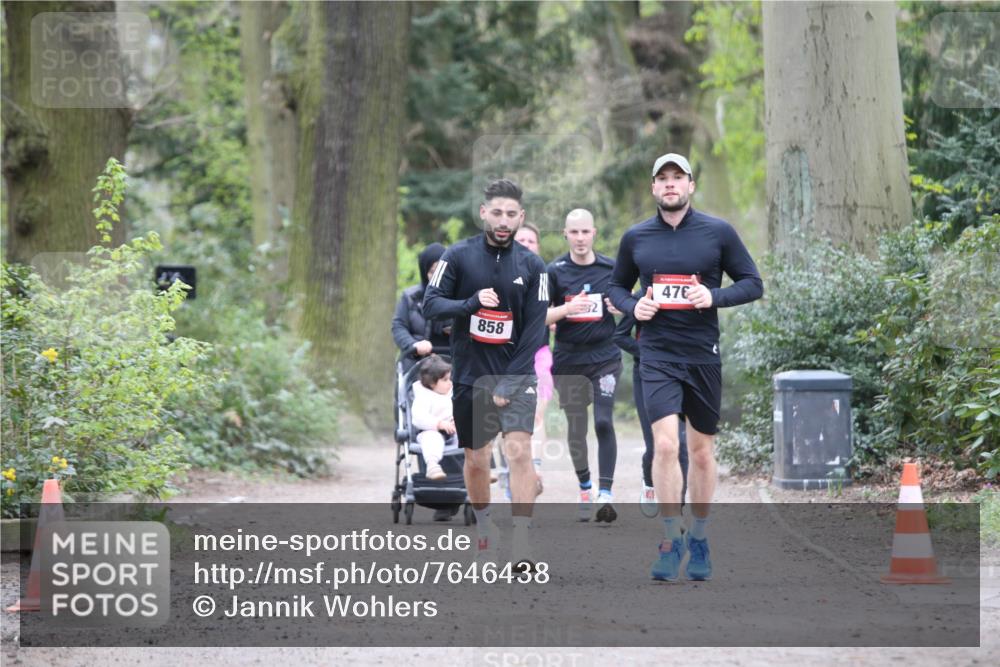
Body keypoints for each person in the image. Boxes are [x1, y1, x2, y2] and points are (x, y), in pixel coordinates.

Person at [608, 153, 763, 582]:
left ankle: (699, 535)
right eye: (663, 179)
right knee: (664, 446)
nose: (671, 184)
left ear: (691, 186)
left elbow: (753, 283)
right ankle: (669, 537)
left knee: (700, 452)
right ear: (653, 188)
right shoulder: (636, 237)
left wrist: (714, 298)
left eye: (678, 177)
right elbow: (616, 286)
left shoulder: (718, 232)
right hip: (656, 354)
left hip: (702, 356)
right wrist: (632, 305)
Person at [423, 179, 548, 568]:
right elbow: (431, 305)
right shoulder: (458, 256)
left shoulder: (533, 266)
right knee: (477, 460)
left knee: (520, 452)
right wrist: (470, 304)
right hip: (471, 376)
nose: (503, 221)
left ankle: (522, 544)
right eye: (497, 213)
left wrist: (510, 382)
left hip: (518, 374)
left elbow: (535, 330)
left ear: (521, 217)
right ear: (483, 213)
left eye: (511, 215)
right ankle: (484, 531)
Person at [545, 209, 622, 523]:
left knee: (603, 421)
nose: (579, 239)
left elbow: (631, 305)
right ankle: (585, 486)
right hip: (569, 360)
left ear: (594, 233)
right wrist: (566, 309)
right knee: (577, 428)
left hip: (605, 357)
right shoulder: (555, 271)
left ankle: (606, 494)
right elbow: (541, 316)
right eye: (574, 233)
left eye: (585, 232)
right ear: (565, 234)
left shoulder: (612, 268)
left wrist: (620, 308)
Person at [612, 293, 688, 518]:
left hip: (683, 374)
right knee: (656, 446)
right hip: (647, 374)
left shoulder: (686, 295)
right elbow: (620, 335)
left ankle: (678, 509)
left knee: (681, 443)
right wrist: (650, 355)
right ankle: (649, 480)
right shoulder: (641, 297)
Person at [512, 223, 550, 495]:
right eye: (521, 239)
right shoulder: (498, 274)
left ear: (538, 246)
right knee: (508, 421)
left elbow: (556, 309)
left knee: (536, 414)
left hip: (539, 355)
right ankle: (513, 474)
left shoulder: (545, 274)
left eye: (531, 240)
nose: (526, 244)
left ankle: (534, 469)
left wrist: (562, 313)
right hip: (506, 357)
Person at [392, 243, 451, 373]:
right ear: (425, 273)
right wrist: (413, 344)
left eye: (442, 271)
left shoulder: (460, 299)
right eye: (432, 272)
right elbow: (399, 326)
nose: (438, 277)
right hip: (417, 366)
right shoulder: (410, 297)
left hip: (450, 367)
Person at [410, 355, 456, 482]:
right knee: (432, 439)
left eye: (450, 378)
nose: (450, 382)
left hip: (453, 431)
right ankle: (432, 466)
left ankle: (481, 466)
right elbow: (419, 418)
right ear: (432, 383)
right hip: (429, 431)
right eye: (445, 380)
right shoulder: (424, 397)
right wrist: (439, 423)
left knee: (473, 433)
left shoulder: (451, 394)